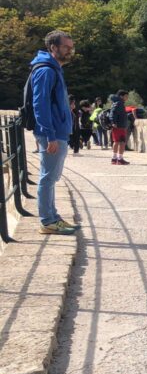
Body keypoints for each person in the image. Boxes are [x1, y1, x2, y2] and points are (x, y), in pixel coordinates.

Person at [29, 30, 79, 235]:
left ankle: (53, 217)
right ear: (53, 47)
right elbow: (40, 105)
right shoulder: (46, 71)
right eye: (66, 47)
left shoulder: (54, 69)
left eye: (71, 47)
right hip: (52, 133)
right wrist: (50, 135)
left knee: (51, 177)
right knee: (48, 177)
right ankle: (47, 221)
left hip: (57, 131)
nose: (70, 51)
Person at [109, 89, 129, 165]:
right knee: (122, 142)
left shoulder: (117, 103)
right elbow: (113, 113)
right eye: (126, 96)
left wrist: (113, 122)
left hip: (118, 125)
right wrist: (113, 122)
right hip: (119, 125)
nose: (127, 98)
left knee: (117, 141)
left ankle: (114, 159)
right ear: (121, 96)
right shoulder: (119, 103)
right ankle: (120, 159)